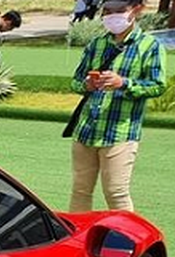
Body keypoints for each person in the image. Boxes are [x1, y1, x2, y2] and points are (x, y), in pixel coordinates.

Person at [67, 0, 166, 212]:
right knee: (80, 191)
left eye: (120, 10)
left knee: (116, 192)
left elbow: (157, 86)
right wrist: (87, 84)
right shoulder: (96, 44)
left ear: (137, 9)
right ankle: (78, 240)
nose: (113, 16)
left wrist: (124, 83)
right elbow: (75, 81)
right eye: (108, 11)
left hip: (120, 131)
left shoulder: (149, 46)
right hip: (86, 129)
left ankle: (127, 242)